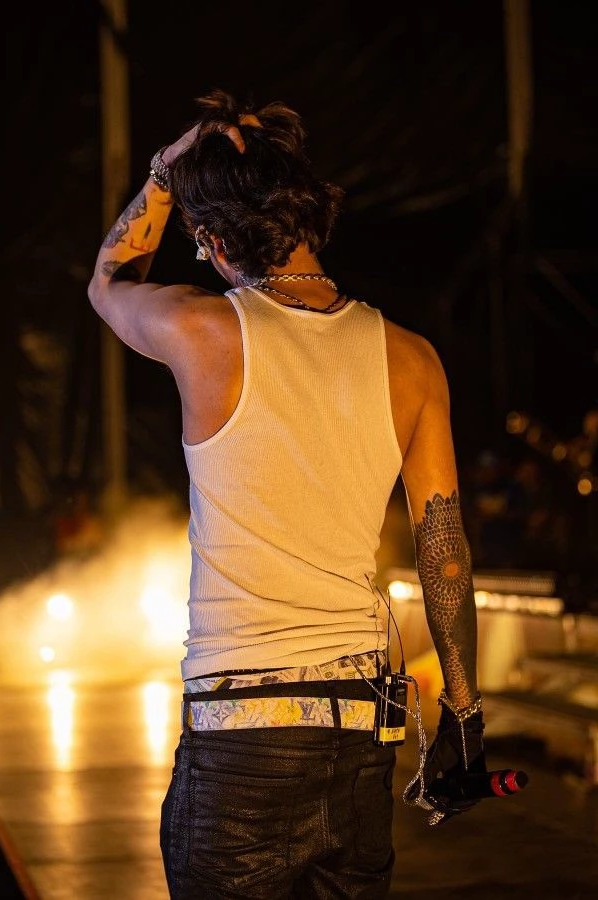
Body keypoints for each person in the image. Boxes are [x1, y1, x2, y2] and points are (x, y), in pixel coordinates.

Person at [88, 90, 486, 899]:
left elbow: (109, 280)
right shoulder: (412, 359)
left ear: (213, 241)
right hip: (360, 737)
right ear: (312, 214)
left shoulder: (204, 330)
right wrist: (465, 714)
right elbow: (443, 552)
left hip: (243, 745)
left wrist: (166, 168)